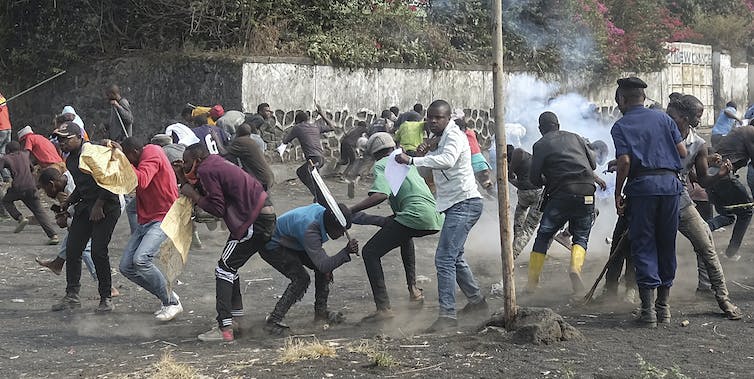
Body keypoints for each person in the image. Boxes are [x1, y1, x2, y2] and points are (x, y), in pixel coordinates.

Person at [395, 100, 487, 332]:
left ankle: (447, 315)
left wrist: (413, 159)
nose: (433, 121)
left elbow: (447, 161)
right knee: (454, 257)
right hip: (456, 204)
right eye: (431, 117)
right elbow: (430, 170)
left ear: (447, 119)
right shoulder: (440, 141)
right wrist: (422, 153)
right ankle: (477, 302)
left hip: (465, 203)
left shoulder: (454, 136)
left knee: (444, 258)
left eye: (439, 117)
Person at [179, 142, 276, 342]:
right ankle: (237, 320)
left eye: (187, 162)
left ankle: (225, 328)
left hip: (254, 221)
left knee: (223, 270)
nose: (185, 165)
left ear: (197, 160)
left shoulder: (206, 170)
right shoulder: (214, 161)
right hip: (261, 215)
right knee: (230, 268)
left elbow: (217, 208)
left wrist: (194, 196)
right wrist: (184, 177)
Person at [611, 77, 686, 327]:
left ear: (622, 99)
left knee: (644, 245)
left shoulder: (620, 126)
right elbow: (683, 152)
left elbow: (624, 162)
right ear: (644, 98)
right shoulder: (664, 119)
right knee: (667, 242)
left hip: (643, 190)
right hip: (671, 188)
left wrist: (617, 192)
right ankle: (663, 309)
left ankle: (648, 313)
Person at [350, 133, 443, 322]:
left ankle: (383, 309)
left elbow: (380, 195)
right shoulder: (406, 161)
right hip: (434, 215)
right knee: (402, 233)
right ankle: (414, 290)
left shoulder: (383, 164)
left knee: (370, 252)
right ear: (394, 147)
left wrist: (352, 209)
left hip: (414, 215)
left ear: (374, 154)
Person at [664, 97, 742, 319]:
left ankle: (723, 298)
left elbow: (701, 180)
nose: (700, 120)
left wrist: (719, 175)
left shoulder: (698, 144)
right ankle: (643, 298)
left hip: (679, 197)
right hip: (656, 195)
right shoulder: (660, 134)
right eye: (698, 116)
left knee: (706, 243)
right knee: (640, 243)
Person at [51, 122, 122, 313]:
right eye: (59, 139)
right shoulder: (71, 159)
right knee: (73, 250)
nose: (62, 143)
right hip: (86, 206)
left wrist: (99, 205)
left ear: (79, 137)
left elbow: (110, 179)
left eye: (66, 139)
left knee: (98, 251)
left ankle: (106, 298)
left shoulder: (92, 152)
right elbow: (83, 187)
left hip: (107, 205)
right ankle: (72, 295)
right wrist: (68, 203)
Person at [259, 203, 358, 335]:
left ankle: (321, 313)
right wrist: (345, 252)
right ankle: (272, 321)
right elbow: (323, 265)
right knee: (301, 279)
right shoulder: (309, 228)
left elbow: (323, 266)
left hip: (292, 241)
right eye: (341, 231)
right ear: (331, 225)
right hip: (273, 245)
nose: (342, 235)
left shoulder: (324, 214)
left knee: (324, 271)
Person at [525, 112, 596, 294]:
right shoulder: (576, 137)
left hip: (561, 194)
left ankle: (532, 282)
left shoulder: (540, 144)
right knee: (581, 235)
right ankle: (575, 269)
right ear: (558, 124)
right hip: (587, 191)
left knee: (544, 235)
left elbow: (534, 178)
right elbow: (593, 165)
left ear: (541, 129)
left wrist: (547, 178)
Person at [118, 137, 183, 322]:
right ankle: (168, 297)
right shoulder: (140, 158)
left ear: (134, 152)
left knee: (141, 259)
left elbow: (142, 181)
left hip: (165, 216)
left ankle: (171, 302)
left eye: (128, 157)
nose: (128, 162)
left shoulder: (152, 152)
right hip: (147, 219)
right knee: (126, 267)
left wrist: (123, 160)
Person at [34, 167, 121, 297]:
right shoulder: (68, 175)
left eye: (45, 189)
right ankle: (59, 264)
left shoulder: (71, 187)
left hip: (105, 206)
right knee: (73, 244)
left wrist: (67, 220)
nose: (45, 193)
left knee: (88, 248)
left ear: (52, 184)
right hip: (93, 207)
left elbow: (80, 213)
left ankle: (108, 289)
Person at [706, 123, 754, 261]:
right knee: (747, 211)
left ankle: (702, 230)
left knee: (728, 215)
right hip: (722, 176)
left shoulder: (739, 133)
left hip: (712, 177)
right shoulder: (750, 131)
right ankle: (731, 254)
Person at [1, 141, 59, 244]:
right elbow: (32, 168)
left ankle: (19, 217)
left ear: (8, 150)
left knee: (6, 201)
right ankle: (53, 235)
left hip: (18, 187)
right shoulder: (25, 155)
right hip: (31, 186)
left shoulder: (6, 158)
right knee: (39, 211)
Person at [282, 105, 335, 198]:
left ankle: (318, 195)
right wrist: (321, 114)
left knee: (302, 173)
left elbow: (285, 141)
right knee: (315, 179)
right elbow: (332, 127)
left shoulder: (298, 127)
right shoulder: (315, 126)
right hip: (320, 158)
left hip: (313, 159)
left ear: (297, 121)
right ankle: (318, 196)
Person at [506, 144, 543, 259]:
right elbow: (519, 151)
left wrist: (511, 173)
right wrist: (512, 175)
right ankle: (513, 254)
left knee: (519, 217)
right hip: (536, 192)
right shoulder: (522, 157)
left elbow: (518, 152)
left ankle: (515, 244)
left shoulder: (515, 158)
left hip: (525, 194)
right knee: (529, 226)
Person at [225, 123, 274, 190]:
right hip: (268, 177)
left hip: (260, 180)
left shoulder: (241, 141)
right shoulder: (251, 140)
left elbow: (224, 152)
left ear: (238, 132)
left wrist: (216, 139)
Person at [457, 118, 494, 193]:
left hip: (473, 163)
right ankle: (497, 198)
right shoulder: (471, 132)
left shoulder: (459, 137)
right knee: (488, 185)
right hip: (481, 161)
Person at [0, 91, 12, 181]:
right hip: (7, 127)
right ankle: (6, 176)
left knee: (2, 153)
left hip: (1, 129)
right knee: (4, 153)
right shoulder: (2, 97)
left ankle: (4, 176)